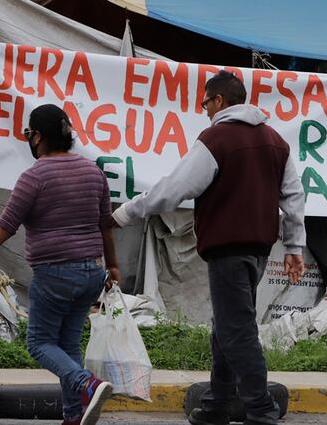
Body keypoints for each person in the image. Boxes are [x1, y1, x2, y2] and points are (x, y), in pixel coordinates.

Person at [111, 70, 305, 425]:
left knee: (236, 329)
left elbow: (174, 188)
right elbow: (293, 197)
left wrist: (125, 213)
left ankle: (261, 408)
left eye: (205, 103)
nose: (204, 111)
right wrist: (294, 246)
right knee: (227, 325)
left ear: (219, 100)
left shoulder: (216, 138)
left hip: (228, 250)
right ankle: (217, 403)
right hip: (259, 251)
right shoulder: (276, 141)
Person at [0, 104, 119, 425]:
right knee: (68, 343)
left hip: (55, 273)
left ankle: (87, 384)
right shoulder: (93, 172)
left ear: (39, 137)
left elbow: (6, 225)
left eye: (29, 134)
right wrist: (112, 266)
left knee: (39, 343)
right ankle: (74, 416)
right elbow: (105, 225)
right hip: (91, 272)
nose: (29, 139)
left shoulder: (35, 176)